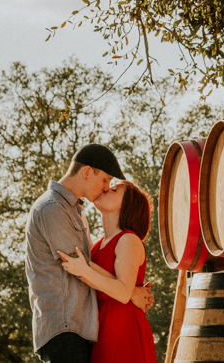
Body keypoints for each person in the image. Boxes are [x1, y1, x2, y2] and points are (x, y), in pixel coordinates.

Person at [26, 144, 155, 363]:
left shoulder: (77, 212)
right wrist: (130, 292)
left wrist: (128, 290)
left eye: (111, 187)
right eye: (106, 180)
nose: (106, 187)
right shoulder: (53, 208)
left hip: (90, 327)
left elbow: (85, 264)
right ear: (87, 172)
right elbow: (76, 264)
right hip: (65, 327)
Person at [59, 179, 158, 363]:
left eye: (113, 190)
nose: (105, 189)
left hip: (123, 327)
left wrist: (85, 271)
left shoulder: (128, 239)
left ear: (127, 205)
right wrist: (134, 292)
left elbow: (121, 292)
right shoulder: (98, 245)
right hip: (102, 326)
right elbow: (112, 281)